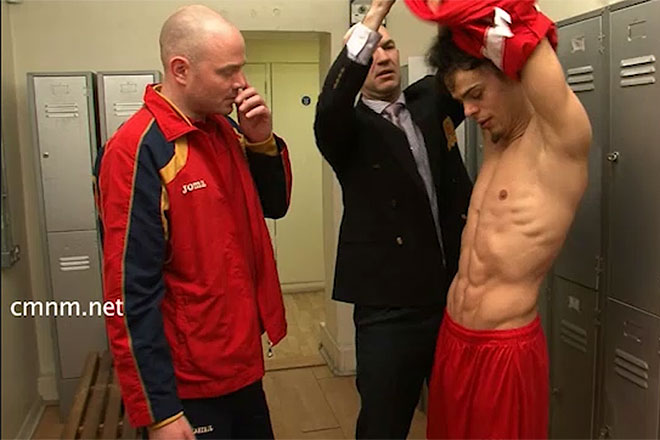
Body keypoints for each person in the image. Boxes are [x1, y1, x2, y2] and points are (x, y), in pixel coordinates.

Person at [93, 5, 292, 439]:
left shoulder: (224, 130)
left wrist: (261, 141)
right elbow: (129, 292)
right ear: (180, 70)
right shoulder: (137, 150)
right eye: (228, 72)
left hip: (239, 361)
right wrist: (161, 411)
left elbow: (274, 206)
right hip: (189, 379)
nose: (241, 83)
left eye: (241, 68)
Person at [404, 1, 593, 438]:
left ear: (511, 74)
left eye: (476, 94)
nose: (469, 112)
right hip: (454, 337)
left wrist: (492, 22)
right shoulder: (497, 136)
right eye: (462, 101)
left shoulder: (559, 142)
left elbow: (527, 35)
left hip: (503, 350)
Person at [314, 1, 472, 438]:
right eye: (372, 51)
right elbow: (331, 103)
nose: (382, 58)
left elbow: (463, 54)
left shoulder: (429, 100)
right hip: (389, 311)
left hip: (451, 297)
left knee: (460, 417)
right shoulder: (346, 128)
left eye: (389, 47)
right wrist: (374, 15)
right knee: (383, 425)